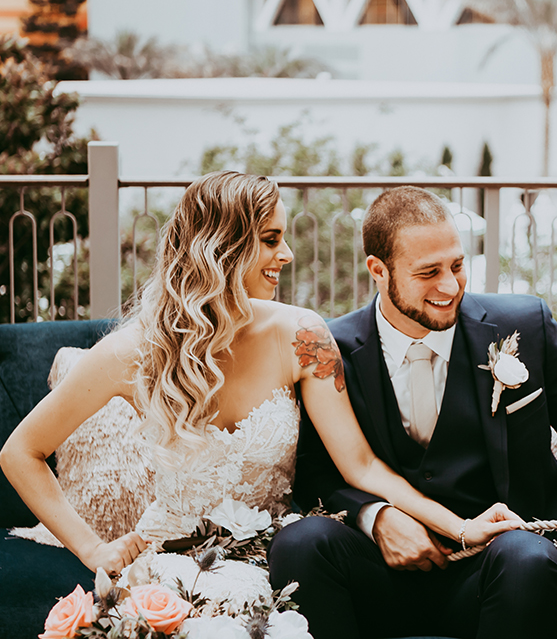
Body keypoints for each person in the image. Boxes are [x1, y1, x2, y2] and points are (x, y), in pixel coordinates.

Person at [0, 172, 519, 606]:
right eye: (271, 239)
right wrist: (94, 551)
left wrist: (459, 527)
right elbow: (21, 452)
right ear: (220, 248)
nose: (288, 254)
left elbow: (361, 466)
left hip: (275, 567)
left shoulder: (303, 335)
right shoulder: (131, 352)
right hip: (168, 573)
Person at [268, 186, 557, 639]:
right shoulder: (332, 348)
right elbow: (315, 472)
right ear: (378, 270)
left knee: (528, 557)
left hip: (498, 568)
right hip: (379, 570)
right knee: (300, 543)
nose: (449, 287)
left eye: (457, 266)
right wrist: (377, 518)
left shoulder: (522, 325)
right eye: (428, 272)